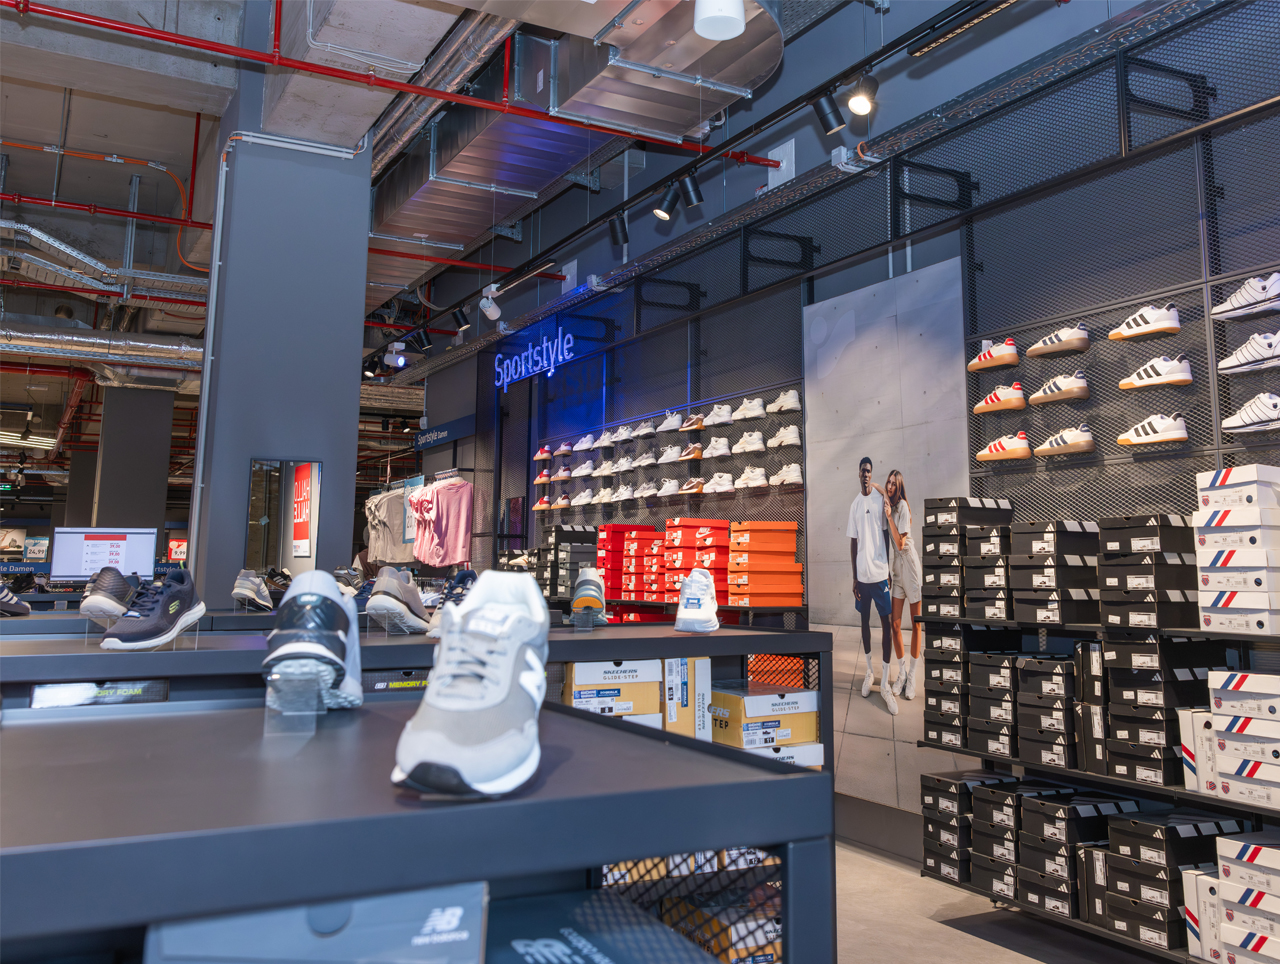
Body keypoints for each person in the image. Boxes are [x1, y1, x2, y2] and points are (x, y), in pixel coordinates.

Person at [848, 456, 896, 715]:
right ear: (858, 474)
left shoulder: (880, 500)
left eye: (868, 471)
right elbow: (853, 542)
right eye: (862, 471)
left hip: (879, 575)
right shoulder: (855, 505)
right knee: (864, 622)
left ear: (871, 473)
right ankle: (869, 672)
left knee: (887, 624)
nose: (865, 474)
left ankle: (885, 682)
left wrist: (887, 569)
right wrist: (854, 577)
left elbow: (886, 535)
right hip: (863, 578)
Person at [879, 470, 922, 700]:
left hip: (910, 567)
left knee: (916, 624)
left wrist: (889, 518)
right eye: (888, 482)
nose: (890, 486)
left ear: (899, 486)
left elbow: (900, 542)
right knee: (894, 624)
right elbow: (879, 489)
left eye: (894, 484)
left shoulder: (903, 507)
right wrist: (874, 486)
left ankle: (913, 675)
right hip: (896, 569)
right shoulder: (890, 506)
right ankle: (902, 673)